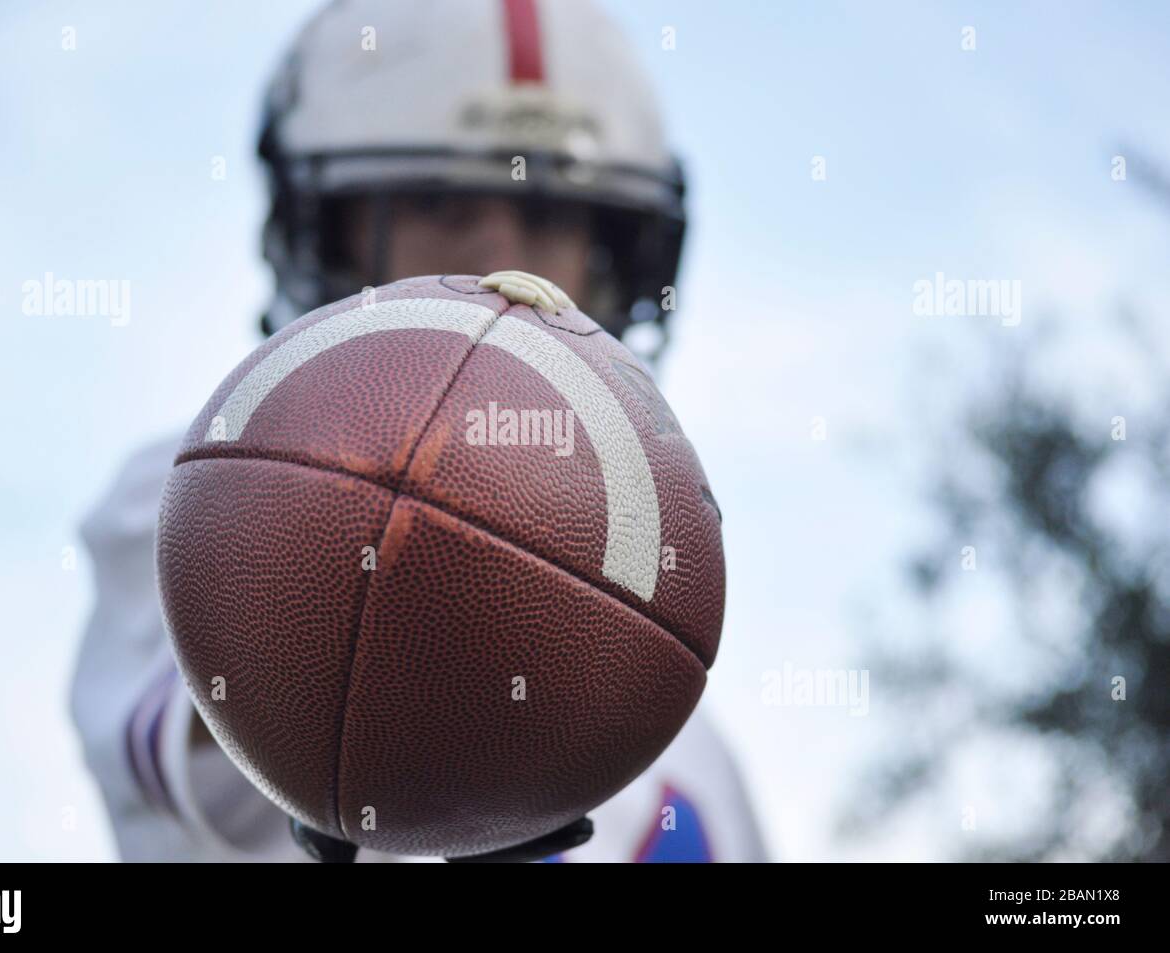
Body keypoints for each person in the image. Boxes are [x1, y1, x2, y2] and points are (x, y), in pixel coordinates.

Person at [71, 0, 766, 862]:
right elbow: (206, 726)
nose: (498, 255)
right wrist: (326, 692)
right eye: (441, 200)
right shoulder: (200, 480)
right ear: (329, 236)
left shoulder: (696, 755)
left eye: (550, 214)